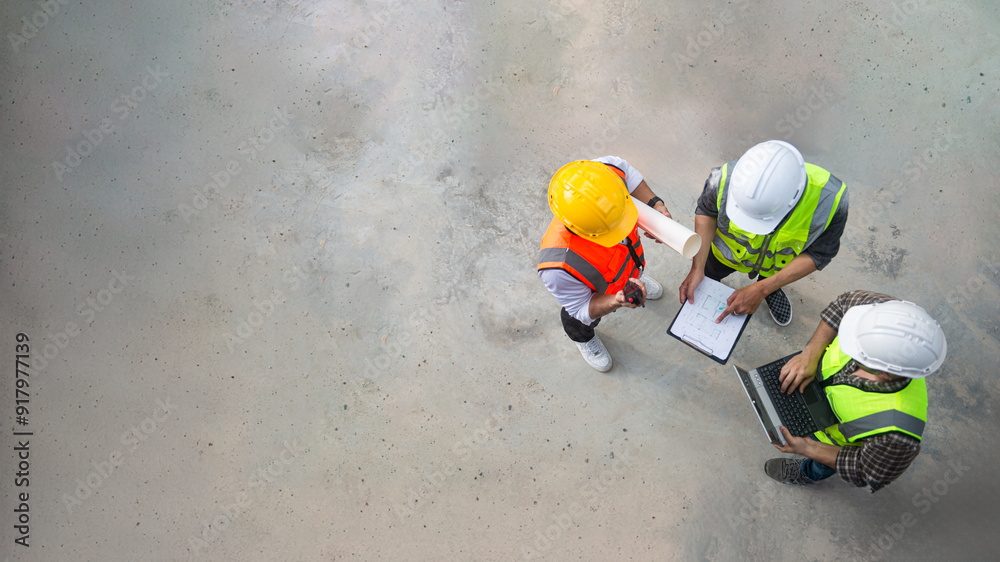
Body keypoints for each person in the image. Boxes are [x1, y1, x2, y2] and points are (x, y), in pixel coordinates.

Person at [763, 290, 947, 492]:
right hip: (811, 394)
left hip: (829, 442)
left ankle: (806, 472)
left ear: (885, 373)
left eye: (858, 354)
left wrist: (809, 448)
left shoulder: (898, 434)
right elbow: (843, 304)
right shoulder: (887, 315)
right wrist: (810, 354)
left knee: (820, 465)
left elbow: (865, 470)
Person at [678, 140, 849, 326]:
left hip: (777, 264)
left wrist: (762, 289)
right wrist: (698, 267)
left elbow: (819, 254)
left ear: (793, 200)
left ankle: (771, 288)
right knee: (710, 273)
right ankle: (710, 276)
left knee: (771, 280)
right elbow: (707, 212)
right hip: (724, 255)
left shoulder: (831, 201)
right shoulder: (723, 179)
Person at [538, 157, 671, 372]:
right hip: (592, 294)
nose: (623, 229)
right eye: (612, 229)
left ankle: (634, 278)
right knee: (579, 321)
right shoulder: (558, 266)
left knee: (628, 265)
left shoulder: (605, 174)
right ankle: (583, 339)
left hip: (626, 267)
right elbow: (581, 307)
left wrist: (656, 204)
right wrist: (616, 301)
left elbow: (628, 173)